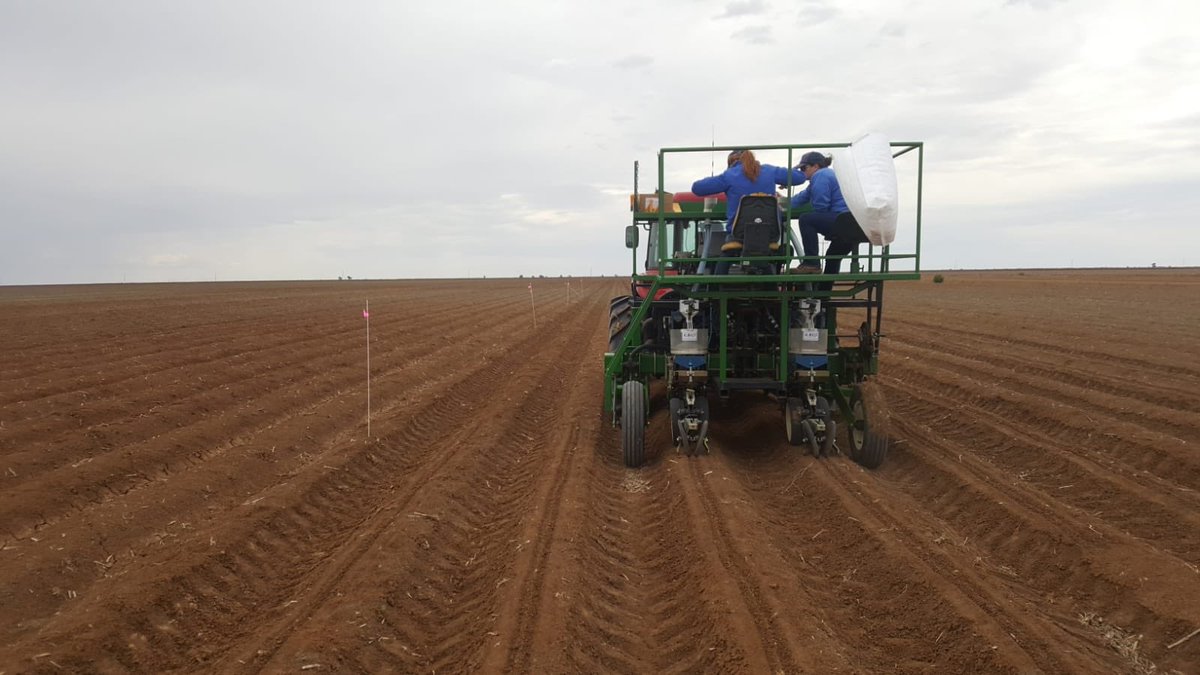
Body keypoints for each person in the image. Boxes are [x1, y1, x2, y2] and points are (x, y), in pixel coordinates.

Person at [691, 150, 806, 274]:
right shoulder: (769, 171)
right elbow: (800, 178)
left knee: (727, 254)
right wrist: (796, 170)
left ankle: (715, 288)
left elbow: (697, 188)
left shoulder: (729, 175)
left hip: (739, 235)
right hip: (769, 234)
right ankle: (772, 290)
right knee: (765, 258)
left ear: (732, 162)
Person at [789, 151, 860, 275]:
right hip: (852, 223)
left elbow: (821, 206)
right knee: (832, 257)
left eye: (804, 168)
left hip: (843, 220)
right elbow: (801, 198)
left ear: (816, 166)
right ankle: (822, 293)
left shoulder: (821, 175)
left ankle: (811, 263)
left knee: (806, 219)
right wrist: (780, 202)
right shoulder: (822, 177)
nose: (802, 172)